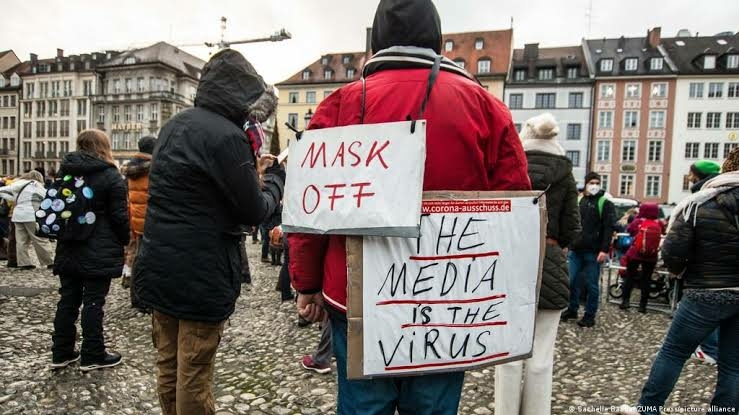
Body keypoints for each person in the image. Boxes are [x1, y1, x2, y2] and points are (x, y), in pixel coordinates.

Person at [288, 1, 531, 412]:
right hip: (450, 299)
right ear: (436, 38)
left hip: (355, 293)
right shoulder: (488, 108)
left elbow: (310, 212)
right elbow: (515, 208)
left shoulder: (340, 105)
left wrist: (307, 283)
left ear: (377, 39)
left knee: (364, 406)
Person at [133, 49, 284, 415]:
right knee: (194, 374)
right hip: (202, 271)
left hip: (159, 264)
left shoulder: (173, 126)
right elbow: (252, 210)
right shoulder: (228, 137)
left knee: (168, 366)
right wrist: (276, 179)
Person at [619, 147, 739, 415]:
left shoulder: (700, 203)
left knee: (673, 353)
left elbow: (673, 251)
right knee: (733, 365)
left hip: (705, 291)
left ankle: (648, 409)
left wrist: (681, 273)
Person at [494, 113, 580, 415]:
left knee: (507, 348)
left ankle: (504, 410)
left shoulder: (512, 164)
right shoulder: (565, 172)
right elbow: (572, 226)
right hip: (552, 256)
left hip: (513, 256)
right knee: (542, 351)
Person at [50, 129, 130, 371]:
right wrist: (125, 240)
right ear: (104, 146)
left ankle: (61, 352)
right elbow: (119, 216)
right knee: (94, 301)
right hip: (99, 245)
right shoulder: (110, 174)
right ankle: (93, 353)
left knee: (68, 299)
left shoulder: (66, 170)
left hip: (69, 242)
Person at [561, 171, 616, 327]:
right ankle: (572, 308)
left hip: (594, 252)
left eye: (597, 183)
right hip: (576, 249)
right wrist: (568, 244)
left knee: (592, 285)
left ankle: (589, 315)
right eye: (591, 183)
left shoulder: (605, 202)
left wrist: (604, 250)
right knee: (571, 281)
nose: (594, 186)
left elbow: (608, 228)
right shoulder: (579, 200)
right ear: (585, 184)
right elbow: (571, 224)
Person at [121, 135, 156, 310]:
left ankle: (136, 298)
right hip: (150, 219)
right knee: (148, 262)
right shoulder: (152, 168)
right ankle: (144, 300)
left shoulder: (132, 168)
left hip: (136, 219)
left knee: (137, 259)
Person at [0, 170, 53, 270]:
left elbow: (3, 191)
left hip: (17, 215)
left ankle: (24, 263)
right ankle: (49, 262)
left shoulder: (18, 183)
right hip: (31, 214)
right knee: (39, 239)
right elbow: (46, 197)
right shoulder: (36, 184)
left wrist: (14, 199)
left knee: (21, 241)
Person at [619, 203, 664, 313]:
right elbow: (662, 232)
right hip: (651, 255)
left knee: (630, 276)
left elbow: (629, 230)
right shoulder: (659, 223)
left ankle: (625, 301)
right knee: (646, 279)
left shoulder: (638, 221)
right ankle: (642, 306)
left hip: (635, 254)